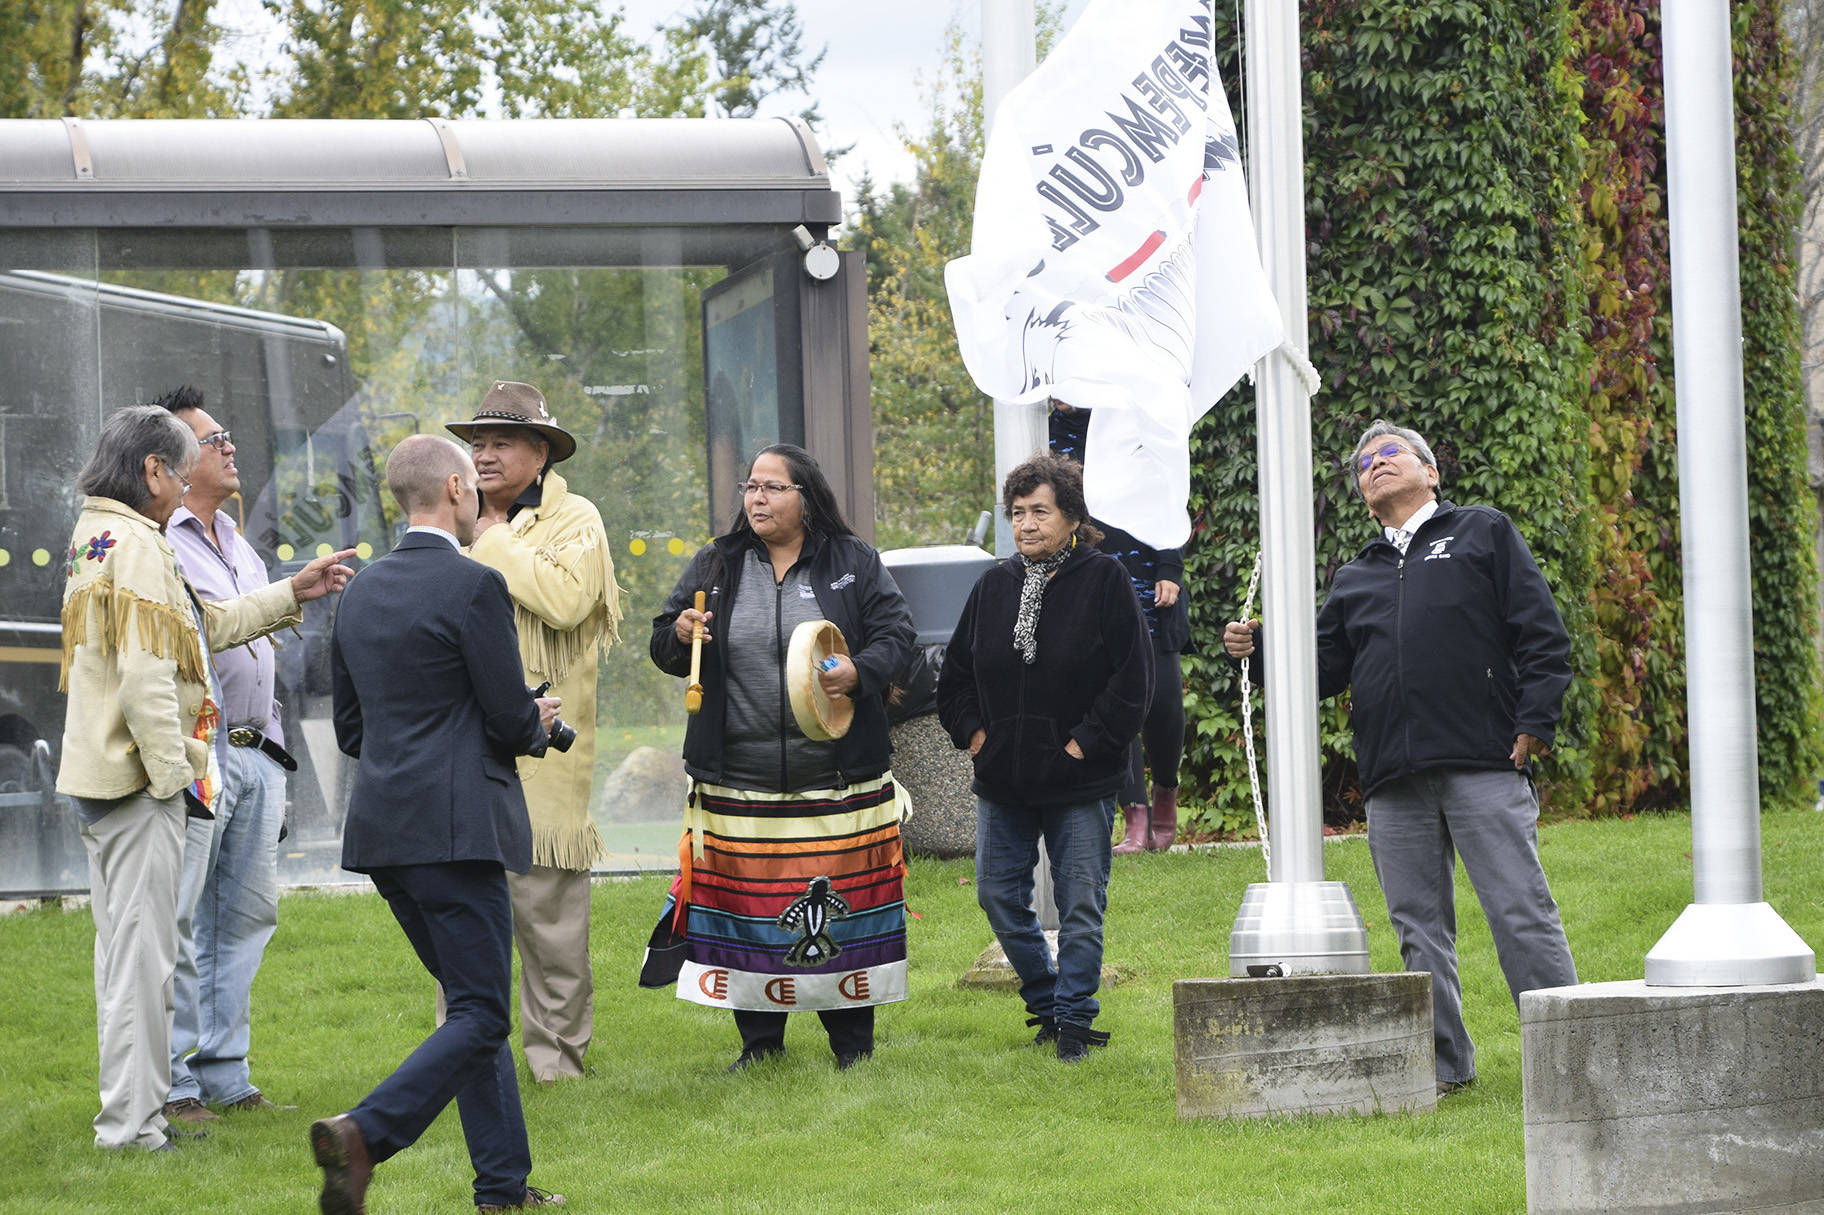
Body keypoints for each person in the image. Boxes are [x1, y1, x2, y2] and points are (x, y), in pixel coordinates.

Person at [1222, 418, 1578, 1097]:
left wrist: (1535, 720)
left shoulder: (1483, 532)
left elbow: (1540, 631)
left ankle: (1566, 1054)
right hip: (1392, 777)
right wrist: (1260, 648)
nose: (1375, 465)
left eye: (1390, 454)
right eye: (1363, 465)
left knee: (1519, 910)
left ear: (1431, 471)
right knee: (1419, 928)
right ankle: (1447, 1065)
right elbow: (1321, 668)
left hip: (1482, 759)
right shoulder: (1356, 573)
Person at [56, 404, 351, 1153]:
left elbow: (202, 625)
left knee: (129, 956)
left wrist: (290, 592)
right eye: (179, 469)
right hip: (141, 782)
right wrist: (175, 782)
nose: (185, 481)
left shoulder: (101, 533)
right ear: (152, 469)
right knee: (144, 961)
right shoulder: (143, 546)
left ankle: (141, 1112)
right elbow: (149, 676)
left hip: (103, 774)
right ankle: (131, 1127)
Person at [312, 434, 565, 1212]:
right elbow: (504, 714)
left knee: (469, 1007)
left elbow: (353, 729)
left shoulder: (358, 590)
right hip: (457, 833)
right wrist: (536, 718)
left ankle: (502, 1187)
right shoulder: (473, 584)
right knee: (485, 1008)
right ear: (456, 488)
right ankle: (365, 1133)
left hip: (388, 832)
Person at [649, 443, 915, 1071]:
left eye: (772, 487)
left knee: (839, 912)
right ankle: (760, 1045)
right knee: (750, 912)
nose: (756, 498)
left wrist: (857, 671)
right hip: (739, 781)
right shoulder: (717, 564)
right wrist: (679, 633)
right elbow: (665, 644)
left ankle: (853, 1046)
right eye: (750, 487)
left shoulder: (852, 561)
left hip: (838, 781)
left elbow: (897, 637)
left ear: (806, 496)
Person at [936, 452, 1153, 1062]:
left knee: (1081, 902)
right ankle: (1047, 1000)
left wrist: (1083, 743)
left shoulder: (1103, 578)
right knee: (997, 894)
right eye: (1017, 513)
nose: (1026, 524)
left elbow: (1133, 681)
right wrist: (978, 737)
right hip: (1004, 778)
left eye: (1039, 511)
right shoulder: (992, 586)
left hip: (1081, 779)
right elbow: (953, 681)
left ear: (1072, 517)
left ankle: (1076, 1020)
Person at [446, 381, 622, 1085]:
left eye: (500, 442)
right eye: (477, 442)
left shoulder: (576, 517)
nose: (483, 455)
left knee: (550, 923)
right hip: (462, 748)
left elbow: (566, 598)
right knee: (463, 916)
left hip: (545, 758)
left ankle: (557, 1065)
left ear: (541, 451)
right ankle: (460, 1059)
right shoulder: (449, 514)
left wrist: (488, 539)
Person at [155, 387, 297, 1128]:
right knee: (183, 919)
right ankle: (174, 1081)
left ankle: (226, 1075)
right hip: (202, 753)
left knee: (246, 918)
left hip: (255, 753)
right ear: (175, 458)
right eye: (216, 439)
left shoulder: (236, 541)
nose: (231, 447)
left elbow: (260, 652)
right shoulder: (159, 541)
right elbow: (206, 636)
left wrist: (273, 749)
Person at [1048, 403, 1190, 853]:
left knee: (1164, 701)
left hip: (1149, 576)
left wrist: (1170, 564)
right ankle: (1135, 818)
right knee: (1112, 698)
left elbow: (1168, 489)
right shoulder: (1042, 430)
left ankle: (1166, 793)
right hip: (1089, 581)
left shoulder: (1127, 416)